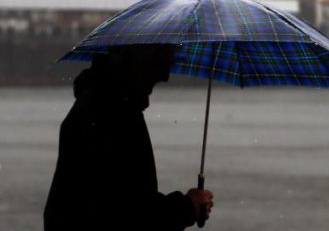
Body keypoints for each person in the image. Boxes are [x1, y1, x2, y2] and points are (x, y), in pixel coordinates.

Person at [44, 44, 214, 231]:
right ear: (137, 60)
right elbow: (124, 213)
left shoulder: (102, 105)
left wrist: (187, 206)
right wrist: (186, 207)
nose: (165, 76)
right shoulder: (111, 115)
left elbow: (121, 200)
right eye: (161, 62)